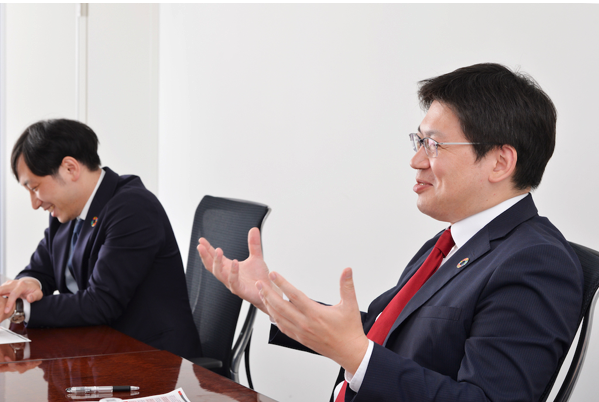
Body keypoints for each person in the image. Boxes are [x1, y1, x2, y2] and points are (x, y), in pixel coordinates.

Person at [197, 63, 583, 402]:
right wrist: (271, 298)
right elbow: (383, 331)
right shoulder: (449, 243)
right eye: (419, 141)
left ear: (500, 162)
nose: (416, 161)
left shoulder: (536, 263)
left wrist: (356, 356)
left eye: (434, 145)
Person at [0, 119, 201, 360]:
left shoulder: (133, 208)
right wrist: (26, 286)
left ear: (70, 168)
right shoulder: (64, 214)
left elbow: (100, 303)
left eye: (34, 188)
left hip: (151, 360)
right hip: (96, 353)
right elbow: (38, 271)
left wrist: (20, 308)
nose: (34, 203)